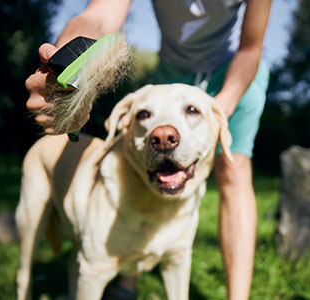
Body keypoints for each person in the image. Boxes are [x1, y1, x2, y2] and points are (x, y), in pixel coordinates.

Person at [25, 0, 272, 299]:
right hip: (173, 69)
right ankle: (128, 279)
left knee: (235, 171)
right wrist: (63, 68)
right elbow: (100, 19)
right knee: (146, 162)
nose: (165, 135)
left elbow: (251, 48)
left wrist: (217, 110)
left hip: (234, 68)